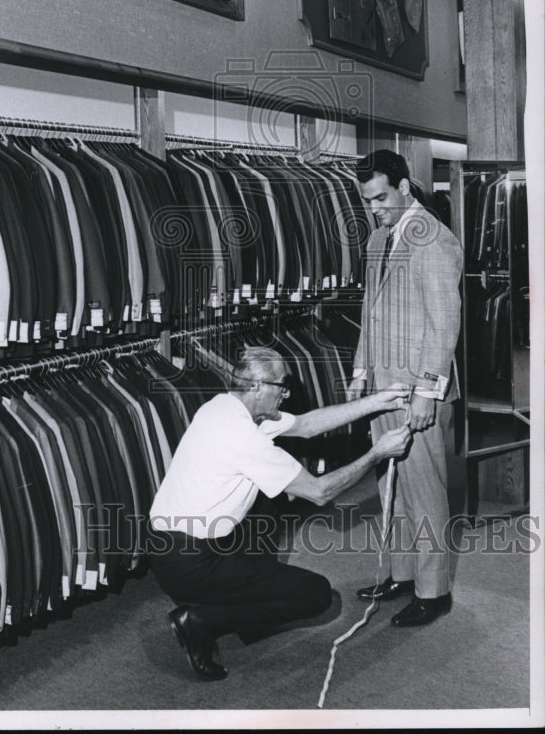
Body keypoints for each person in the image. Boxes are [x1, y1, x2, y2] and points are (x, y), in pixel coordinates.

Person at [146, 346, 411, 681]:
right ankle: (201, 620)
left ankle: (247, 584)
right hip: (188, 563)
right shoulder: (243, 437)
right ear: (257, 386)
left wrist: (378, 401)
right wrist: (376, 453)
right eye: (282, 386)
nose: (286, 394)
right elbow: (319, 492)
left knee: (269, 502)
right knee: (315, 595)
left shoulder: (225, 407)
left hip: (167, 545)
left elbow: (306, 425)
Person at [348, 149, 463, 628]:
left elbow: (444, 325)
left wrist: (426, 393)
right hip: (381, 386)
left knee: (425, 490)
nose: (375, 209)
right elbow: (369, 317)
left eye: (380, 198)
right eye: (367, 201)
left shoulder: (435, 240)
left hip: (418, 389)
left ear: (405, 187)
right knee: (390, 486)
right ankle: (401, 572)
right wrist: (359, 375)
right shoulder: (378, 240)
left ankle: (433, 591)